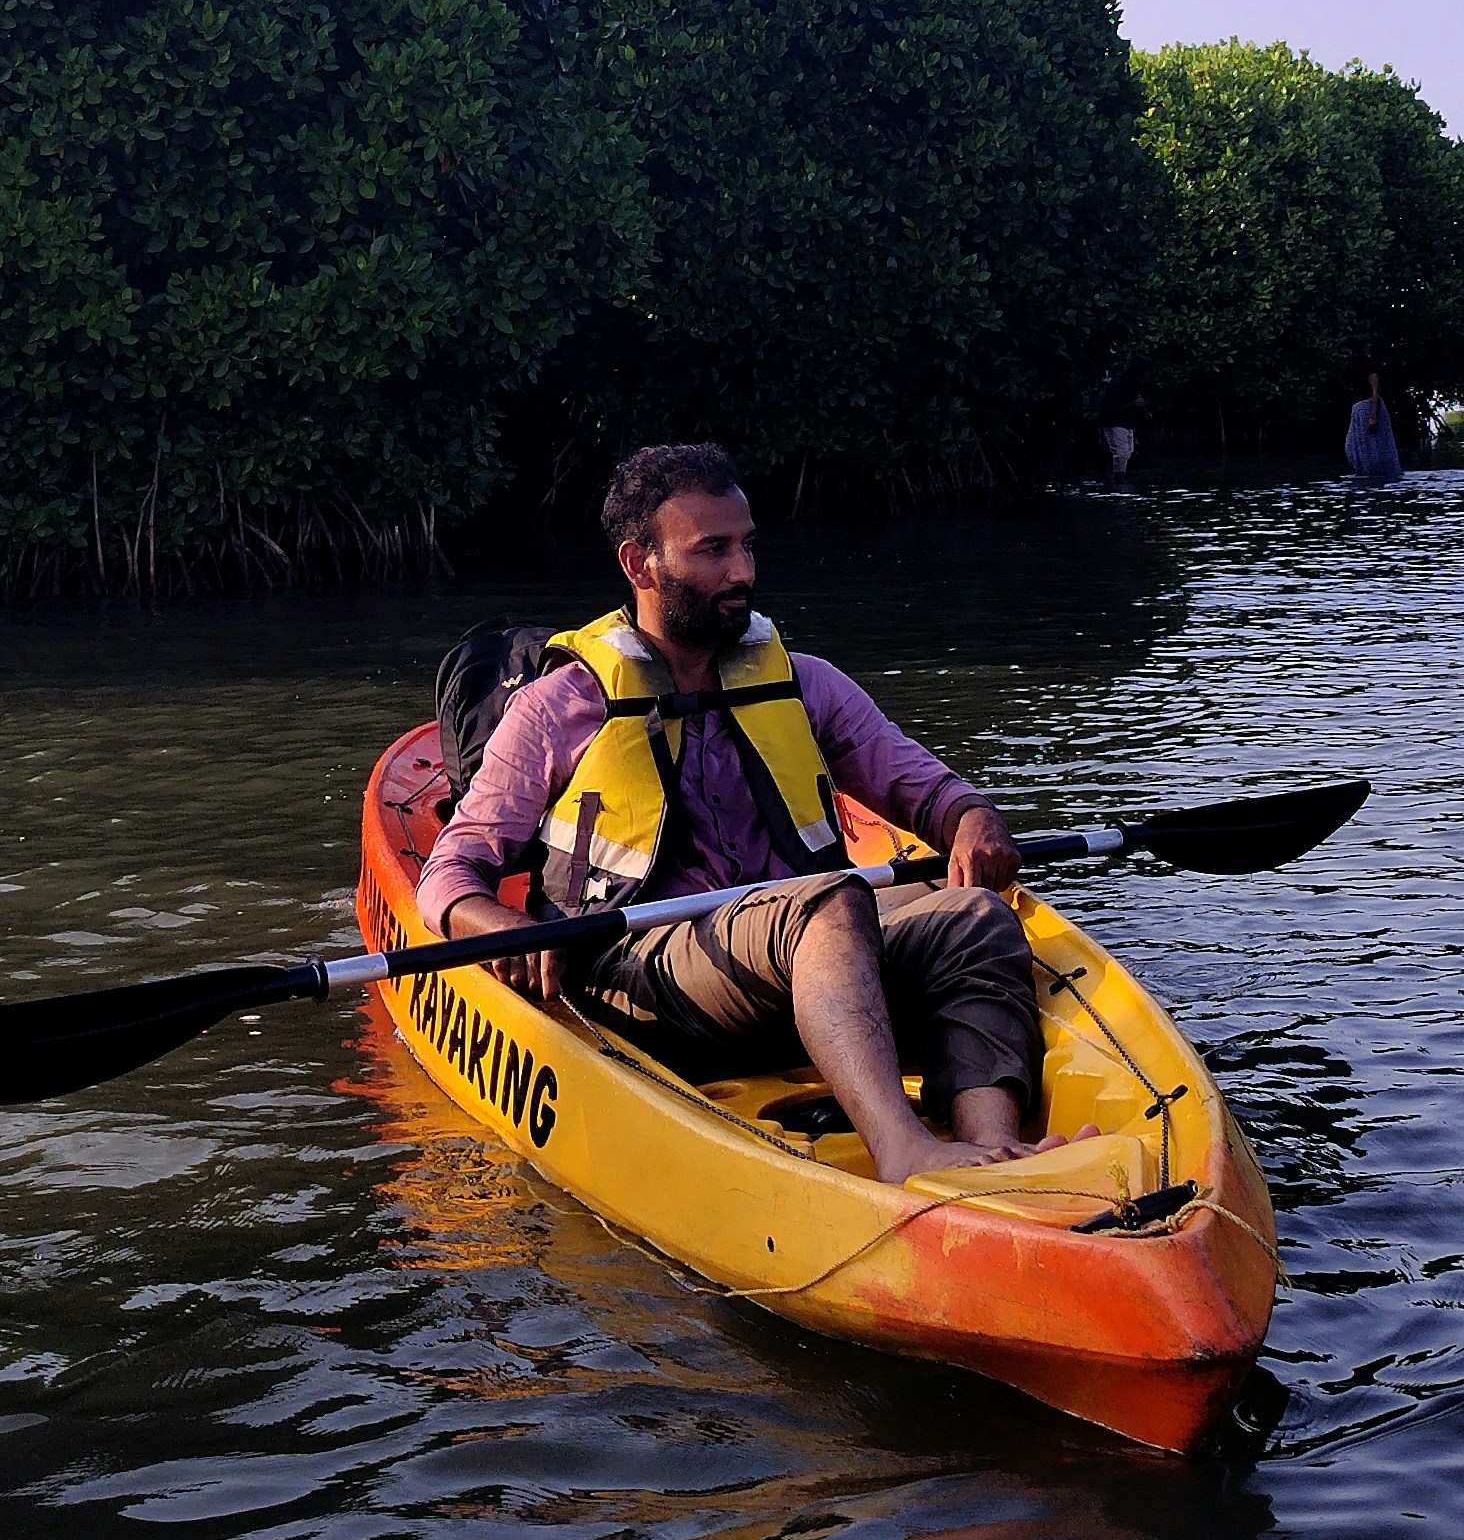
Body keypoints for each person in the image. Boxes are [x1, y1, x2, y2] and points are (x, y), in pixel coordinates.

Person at [418, 442, 1066, 1183]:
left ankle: (993, 1146)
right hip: (644, 972)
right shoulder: (561, 706)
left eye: (747, 546)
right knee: (828, 902)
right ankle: (903, 1152)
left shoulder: (801, 682)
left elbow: (919, 783)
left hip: (818, 953)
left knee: (975, 916)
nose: (744, 572)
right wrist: (501, 925)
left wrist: (971, 815)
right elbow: (449, 873)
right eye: (713, 550)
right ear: (641, 564)